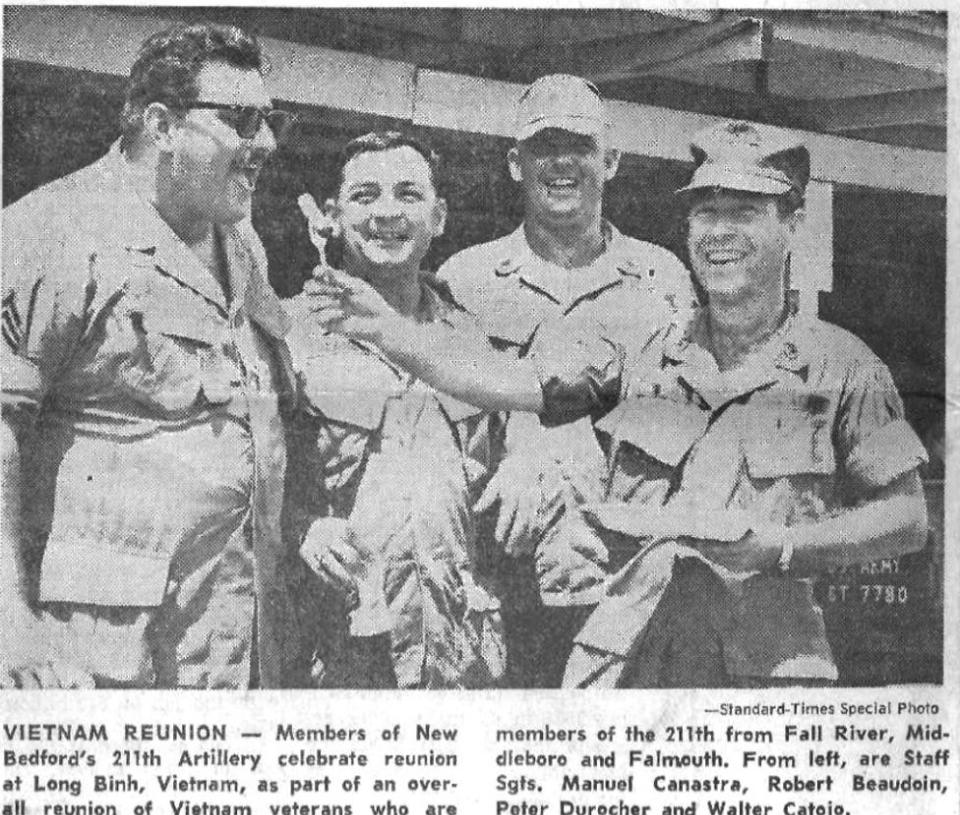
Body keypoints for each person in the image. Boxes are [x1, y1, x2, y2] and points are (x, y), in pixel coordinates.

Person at [309, 120, 929, 687]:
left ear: (791, 224)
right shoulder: (646, 355)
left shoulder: (842, 366)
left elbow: (905, 519)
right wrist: (392, 332)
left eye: (743, 213)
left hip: (766, 667)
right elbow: (510, 384)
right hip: (629, 661)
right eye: (705, 213)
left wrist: (781, 547)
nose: (719, 233)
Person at [1, 23, 302, 688]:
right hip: (104, 656)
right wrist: (7, 627)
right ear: (163, 125)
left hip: (234, 639)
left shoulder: (241, 243)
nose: (267, 143)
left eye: (269, 119)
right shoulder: (48, 233)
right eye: (241, 120)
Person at [433, 74, 695, 686]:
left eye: (578, 145)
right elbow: (442, 426)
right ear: (514, 164)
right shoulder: (466, 279)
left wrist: (551, 439)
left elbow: (684, 424)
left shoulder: (663, 280)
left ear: (612, 161)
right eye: (542, 146)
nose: (561, 163)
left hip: (626, 581)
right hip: (501, 580)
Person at [285, 132, 504, 688]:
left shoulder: (472, 341)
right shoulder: (288, 335)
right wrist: (303, 529)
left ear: (439, 217)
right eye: (365, 196)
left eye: (408, 194)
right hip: (340, 652)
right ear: (333, 217)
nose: (387, 212)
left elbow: (508, 466)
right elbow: (247, 476)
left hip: (461, 654)